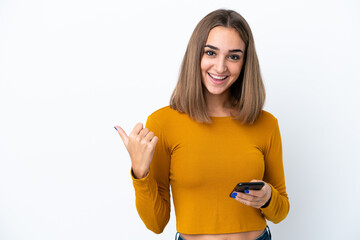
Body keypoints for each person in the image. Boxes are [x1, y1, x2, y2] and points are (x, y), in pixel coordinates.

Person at [115, 9, 289, 240]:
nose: (220, 67)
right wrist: (140, 171)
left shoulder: (266, 123)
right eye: (211, 53)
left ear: (245, 63)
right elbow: (156, 223)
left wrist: (268, 197)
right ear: (196, 55)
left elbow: (281, 212)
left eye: (234, 56)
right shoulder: (163, 122)